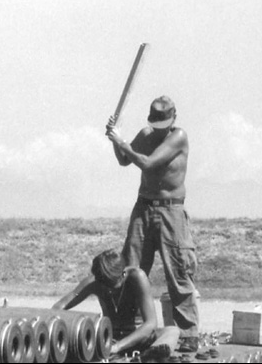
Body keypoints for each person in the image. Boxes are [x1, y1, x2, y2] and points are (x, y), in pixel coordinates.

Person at [105, 95, 200, 352]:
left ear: (173, 118)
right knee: (132, 269)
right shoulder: (145, 135)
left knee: (178, 272)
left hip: (171, 212)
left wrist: (119, 140)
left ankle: (188, 334)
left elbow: (147, 163)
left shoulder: (178, 137)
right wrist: (117, 139)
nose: (159, 129)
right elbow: (124, 160)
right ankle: (127, 327)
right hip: (143, 209)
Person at [52, 249, 179, 361]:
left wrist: (118, 347)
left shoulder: (137, 277)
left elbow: (150, 324)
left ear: (123, 274)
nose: (109, 289)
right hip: (109, 339)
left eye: (112, 284)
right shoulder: (95, 281)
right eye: (103, 284)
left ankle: (145, 357)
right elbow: (58, 308)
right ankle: (139, 359)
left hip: (137, 337)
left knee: (172, 331)